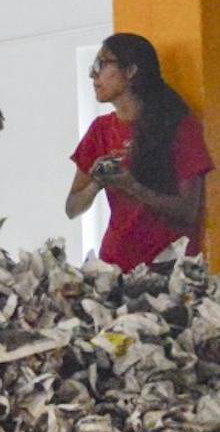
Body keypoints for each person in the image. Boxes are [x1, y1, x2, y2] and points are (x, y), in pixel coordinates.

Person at [65, 32, 211, 270]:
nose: (93, 74)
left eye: (101, 64)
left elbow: (188, 211)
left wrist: (132, 186)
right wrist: (96, 183)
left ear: (131, 71)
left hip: (168, 268)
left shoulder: (177, 126)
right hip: (115, 264)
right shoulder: (100, 130)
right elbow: (72, 208)